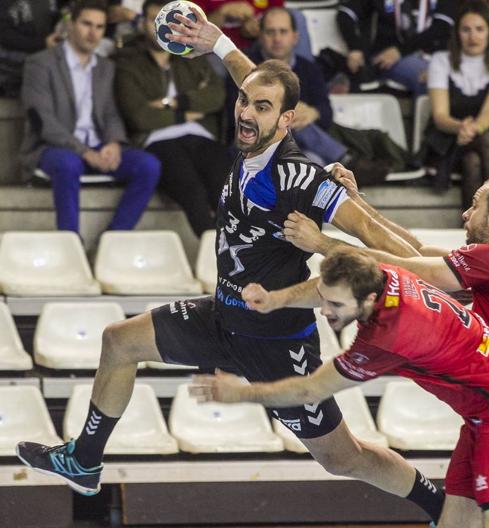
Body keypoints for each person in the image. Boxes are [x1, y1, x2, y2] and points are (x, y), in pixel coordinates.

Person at [15, 9, 448, 526]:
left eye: (262, 108)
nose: (246, 111)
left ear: (287, 120)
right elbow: (256, 80)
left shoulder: (300, 178)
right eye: (244, 100)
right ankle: (84, 460)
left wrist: (442, 274)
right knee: (118, 340)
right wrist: (218, 41)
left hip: (275, 345)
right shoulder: (250, 136)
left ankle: (438, 503)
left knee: (342, 458)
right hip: (222, 317)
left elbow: (374, 235)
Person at [282, 173, 489, 528]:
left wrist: (323, 243)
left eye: (475, 204)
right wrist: (356, 204)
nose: (465, 214)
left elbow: (405, 268)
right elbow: (414, 252)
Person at [190, 247, 489, 528]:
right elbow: (327, 288)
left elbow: (309, 392)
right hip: (482, 414)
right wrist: (276, 300)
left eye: (334, 305)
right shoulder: (379, 276)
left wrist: (240, 393)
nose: (325, 311)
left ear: (366, 302)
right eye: (324, 299)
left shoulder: (388, 335)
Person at [19, 0, 161, 234]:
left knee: (148, 165)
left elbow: (111, 113)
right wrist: (85, 152)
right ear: (71, 25)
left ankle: (113, 240)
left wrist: (114, 143)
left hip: (97, 147)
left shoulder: (106, 67)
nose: (92, 33)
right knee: (68, 163)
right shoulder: (40, 63)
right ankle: (71, 243)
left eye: (99, 27)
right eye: (86, 24)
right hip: (53, 149)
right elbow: (44, 122)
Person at [226, 6, 400, 184]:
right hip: (253, 144)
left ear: (295, 37)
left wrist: (312, 112)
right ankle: (347, 160)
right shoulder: (244, 66)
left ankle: (343, 165)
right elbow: (237, 117)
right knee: (287, 118)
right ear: (261, 36)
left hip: (300, 147)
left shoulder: (309, 68)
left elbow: (326, 113)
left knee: (316, 163)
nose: (277, 39)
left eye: (283, 32)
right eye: (270, 32)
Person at [115, 0, 232, 237]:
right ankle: (214, 252)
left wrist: (171, 103)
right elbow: (139, 115)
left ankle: (236, 250)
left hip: (199, 135)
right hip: (156, 140)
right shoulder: (128, 62)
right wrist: (187, 113)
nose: (160, 28)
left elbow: (215, 96)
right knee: (192, 190)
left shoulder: (192, 57)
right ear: (141, 23)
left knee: (225, 183)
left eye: (165, 21)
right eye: (152, 20)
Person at [425, 0, 489, 209]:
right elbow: (440, 117)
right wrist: (460, 127)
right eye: (466, 29)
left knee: (473, 161)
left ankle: (474, 235)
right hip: (447, 140)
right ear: (457, 33)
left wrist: (471, 129)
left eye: (479, 29)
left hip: (486, 135)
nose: (473, 36)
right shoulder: (440, 60)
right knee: (478, 149)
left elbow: (488, 115)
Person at [336, 0, 457, 94]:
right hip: (392, 59)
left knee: (452, 80)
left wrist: (401, 50)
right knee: (431, 80)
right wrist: (355, 47)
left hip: (436, 57)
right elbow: (345, 14)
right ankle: (430, 125)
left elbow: (441, 28)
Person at [0, 0, 67, 98]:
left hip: (45, 61)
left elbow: (60, 15)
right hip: (13, 69)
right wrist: (42, 43)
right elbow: (4, 34)